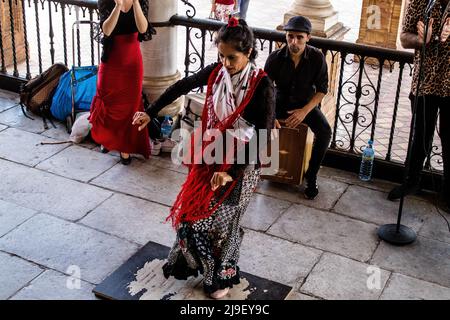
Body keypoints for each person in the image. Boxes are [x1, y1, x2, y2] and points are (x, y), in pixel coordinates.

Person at [132, 17, 275, 299]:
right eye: (221, 56)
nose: (226, 63)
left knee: (223, 225)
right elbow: (181, 86)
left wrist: (231, 172)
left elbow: (263, 136)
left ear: (248, 53)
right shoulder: (216, 73)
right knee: (190, 218)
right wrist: (152, 110)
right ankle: (198, 268)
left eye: (232, 57)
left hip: (241, 166)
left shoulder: (262, 86)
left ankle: (220, 279)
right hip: (211, 157)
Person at [387, 0, 450, 205]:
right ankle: (412, 181)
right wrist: (423, 39)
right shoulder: (422, 2)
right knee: (421, 135)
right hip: (425, 81)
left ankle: (447, 193)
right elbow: (404, 38)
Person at [264, 16, 331, 200]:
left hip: (305, 105)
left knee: (325, 132)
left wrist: (304, 111)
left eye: (299, 37)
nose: (294, 41)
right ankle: (255, 169)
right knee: (259, 124)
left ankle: (312, 174)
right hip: (280, 103)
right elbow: (266, 90)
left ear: (308, 37)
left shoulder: (317, 57)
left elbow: (323, 89)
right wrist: (270, 115)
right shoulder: (275, 58)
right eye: (290, 36)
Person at [89, 0, 156, 165]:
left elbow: (143, 28)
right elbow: (106, 30)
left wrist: (135, 2)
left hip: (132, 63)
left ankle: (124, 147)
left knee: (130, 105)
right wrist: (118, 6)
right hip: (111, 60)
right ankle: (109, 140)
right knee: (108, 100)